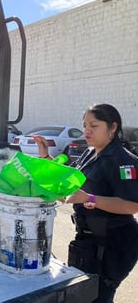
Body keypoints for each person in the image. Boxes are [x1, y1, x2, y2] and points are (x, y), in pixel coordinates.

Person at [34, 103, 138, 302]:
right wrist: (45, 156)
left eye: (94, 125)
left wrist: (90, 198)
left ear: (113, 127)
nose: (87, 130)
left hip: (115, 244)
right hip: (88, 242)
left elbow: (133, 205)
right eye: (84, 125)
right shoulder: (89, 153)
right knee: (83, 295)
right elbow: (67, 181)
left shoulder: (123, 160)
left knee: (98, 297)